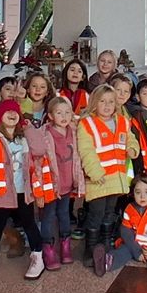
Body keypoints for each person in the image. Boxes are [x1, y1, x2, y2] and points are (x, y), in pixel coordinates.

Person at [0, 99, 47, 279]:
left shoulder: (24, 138)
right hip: (2, 193)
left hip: (23, 190)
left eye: (15, 112)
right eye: (7, 112)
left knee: (29, 223)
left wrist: (28, 126)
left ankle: (38, 257)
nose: (12, 114)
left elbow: (39, 149)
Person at [78, 86, 137, 267]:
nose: (107, 105)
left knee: (109, 212)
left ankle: (105, 243)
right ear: (95, 103)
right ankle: (91, 247)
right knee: (96, 213)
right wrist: (95, 172)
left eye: (111, 101)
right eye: (102, 101)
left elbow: (130, 138)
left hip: (116, 178)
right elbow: (86, 151)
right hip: (98, 179)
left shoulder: (122, 121)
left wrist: (133, 148)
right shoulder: (87, 124)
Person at [94, 174, 147, 282]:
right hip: (133, 245)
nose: (142, 196)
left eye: (146, 192)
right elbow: (126, 232)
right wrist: (137, 252)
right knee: (123, 251)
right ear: (132, 193)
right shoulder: (129, 209)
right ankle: (106, 262)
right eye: (138, 192)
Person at [40, 96, 84, 270]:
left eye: (67, 112)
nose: (64, 116)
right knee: (49, 216)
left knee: (64, 214)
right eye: (59, 113)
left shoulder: (73, 132)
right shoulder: (46, 134)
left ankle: (65, 244)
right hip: (51, 185)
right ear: (50, 116)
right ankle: (48, 248)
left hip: (67, 184)